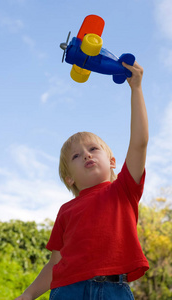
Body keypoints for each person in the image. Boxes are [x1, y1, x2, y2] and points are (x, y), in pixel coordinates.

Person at [14, 61, 149, 300]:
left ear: (112, 161)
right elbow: (54, 264)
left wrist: (136, 88)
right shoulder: (66, 211)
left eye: (93, 149)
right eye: (76, 156)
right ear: (69, 178)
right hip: (68, 292)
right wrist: (26, 296)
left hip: (114, 291)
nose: (86, 154)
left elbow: (139, 143)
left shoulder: (124, 190)